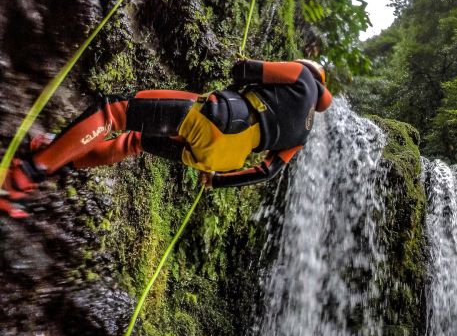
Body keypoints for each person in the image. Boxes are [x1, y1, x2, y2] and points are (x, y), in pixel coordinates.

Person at [0, 59, 333, 218]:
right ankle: (59, 158)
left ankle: (27, 173)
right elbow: (268, 171)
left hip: (219, 120)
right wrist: (215, 182)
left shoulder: (301, 74)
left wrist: (244, 68)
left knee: (114, 112)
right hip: (222, 157)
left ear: (309, 70)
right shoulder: (303, 135)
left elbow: (245, 71)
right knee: (135, 141)